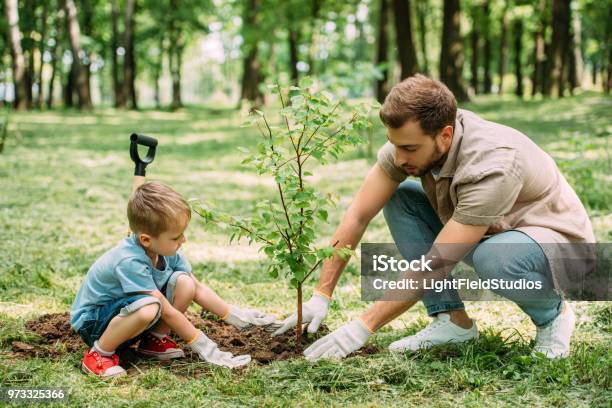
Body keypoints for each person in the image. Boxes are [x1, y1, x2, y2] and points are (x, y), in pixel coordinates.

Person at [273, 75, 595, 361]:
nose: (400, 158)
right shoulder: (408, 145)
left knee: (494, 258)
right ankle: (452, 322)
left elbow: (437, 262)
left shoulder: (492, 164)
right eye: (394, 145)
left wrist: (362, 326)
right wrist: (321, 294)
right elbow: (358, 214)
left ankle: (553, 316)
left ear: (445, 134)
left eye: (410, 149)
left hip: (552, 240)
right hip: (490, 229)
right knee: (401, 201)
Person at [71, 182, 276, 377]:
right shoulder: (129, 261)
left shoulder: (164, 250)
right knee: (149, 306)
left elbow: (197, 288)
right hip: (94, 323)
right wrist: (205, 347)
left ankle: (153, 341)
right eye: (176, 237)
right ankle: (99, 354)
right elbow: (166, 312)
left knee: (185, 283)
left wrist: (235, 316)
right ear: (145, 239)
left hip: (126, 316)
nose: (183, 240)